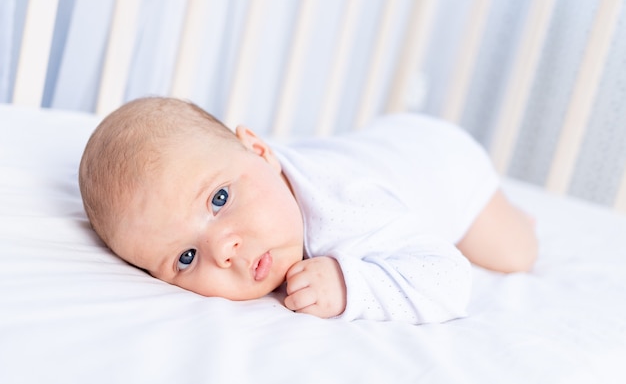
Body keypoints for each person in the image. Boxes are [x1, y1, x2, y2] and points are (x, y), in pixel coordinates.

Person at [79, 96, 537, 324]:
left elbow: (450, 279)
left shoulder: (348, 210)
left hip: (444, 163)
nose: (223, 250)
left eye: (219, 200)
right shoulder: (248, 175)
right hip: (378, 144)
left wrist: (349, 283)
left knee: (516, 253)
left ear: (259, 150)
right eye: (185, 258)